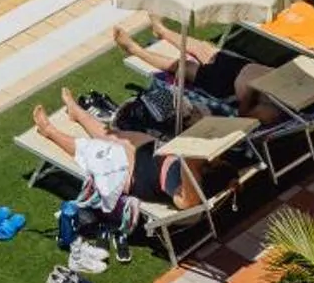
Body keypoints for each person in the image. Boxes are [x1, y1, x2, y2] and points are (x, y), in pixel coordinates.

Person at [32, 90, 202, 248]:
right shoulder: (207, 167)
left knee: (91, 150)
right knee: (110, 135)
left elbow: (187, 203)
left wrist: (190, 162)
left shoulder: (186, 186)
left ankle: (49, 131)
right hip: (156, 152)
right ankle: (76, 112)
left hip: (137, 175)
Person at [117, 17, 314, 121]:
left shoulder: (275, 109)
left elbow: (244, 117)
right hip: (240, 65)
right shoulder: (310, 84)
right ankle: (163, 31)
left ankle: (135, 50)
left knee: (182, 66)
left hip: (224, 85)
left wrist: (249, 94)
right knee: (203, 48)